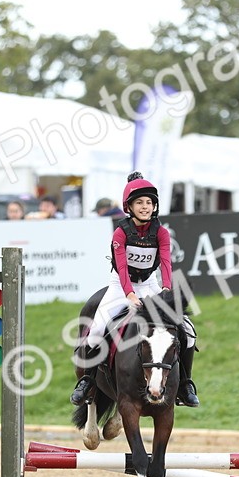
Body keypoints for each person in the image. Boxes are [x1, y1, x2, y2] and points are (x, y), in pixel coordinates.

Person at [70, 171, 199, 408]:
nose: (145, 207)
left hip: (150, 285)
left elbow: (166, 263)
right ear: (129, 206)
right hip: (120, 286)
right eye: (139, 202)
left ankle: (185, 384)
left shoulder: (160, 232)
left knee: (187, 330)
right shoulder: (121, 232)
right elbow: (121, 268)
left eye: (149, 202)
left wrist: (167, 290)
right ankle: (88, 381)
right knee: (96, 331)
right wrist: (129, 294)